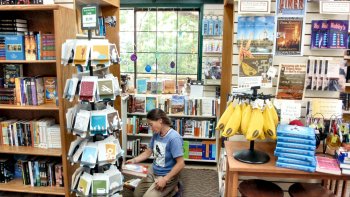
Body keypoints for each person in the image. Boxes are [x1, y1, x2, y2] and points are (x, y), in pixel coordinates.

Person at [126, 108, 185, 197]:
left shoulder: (174, 138)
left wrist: (165, 179)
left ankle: (175, 189)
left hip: (167, 175)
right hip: (153, 172)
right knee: (137, 194)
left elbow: (181, 164)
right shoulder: (156, 134)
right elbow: (148, 152)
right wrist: (133, 160)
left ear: (160, 121)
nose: (150, 128)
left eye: (151, 124)